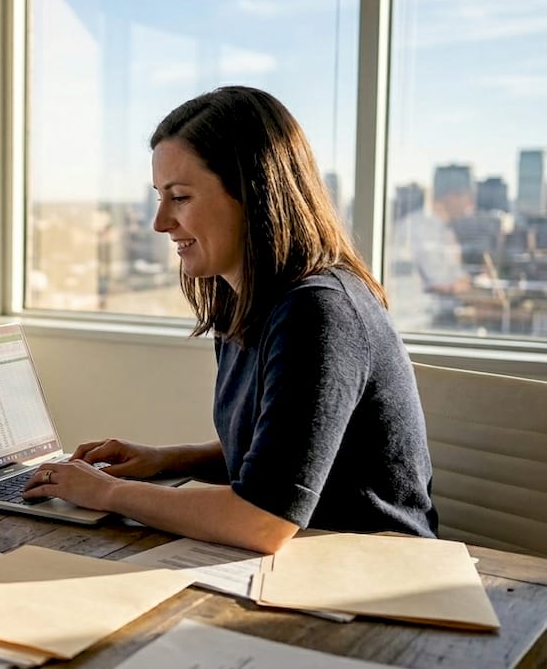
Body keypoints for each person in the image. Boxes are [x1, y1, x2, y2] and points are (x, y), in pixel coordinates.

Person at [23, 86, 438, 554]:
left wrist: (107, 493)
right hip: (297, 558)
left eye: (179, 197)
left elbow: (263, 519)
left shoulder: (319, 312)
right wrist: (163, 460)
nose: (160, 222)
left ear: (253, 195)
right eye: (159, 197)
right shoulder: (247, 303)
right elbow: (285, 457)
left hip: (368, 571)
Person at [389, 185, 474, 330]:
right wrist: (461, 284)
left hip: (426, 314)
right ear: (451, 197)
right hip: (414, 320)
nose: (471, 205)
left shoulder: (440, 228)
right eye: (468, 198)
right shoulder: (422, 227)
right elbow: (440, 282)